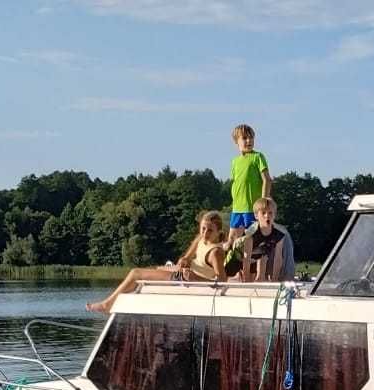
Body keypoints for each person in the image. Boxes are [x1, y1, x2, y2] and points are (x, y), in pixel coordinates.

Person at [85, 210, 229, 313]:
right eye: (203, 228)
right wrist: (185, 258)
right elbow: (195, 243)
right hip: (184, 272)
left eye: (210, 230)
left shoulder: (215, 252)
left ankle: (107, 304)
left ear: (219, 232)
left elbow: (222, 280)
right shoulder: (202, 239)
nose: (205, 233)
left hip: (187, 279)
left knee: (136, 273)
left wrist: (196, 278)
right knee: (156, 268)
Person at [231, 197, 295, 282]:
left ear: (274, 215)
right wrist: (246, 281)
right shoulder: (250, 234)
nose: (267, 216)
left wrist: (274, 280)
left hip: (258, 251)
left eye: (270, 213)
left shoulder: (280, 234)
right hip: (240, 254)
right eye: (264, 213)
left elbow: (277, 258)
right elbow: (246, 259)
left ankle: (261, 277)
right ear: (256, 215)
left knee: (265, 252)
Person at [228, 124, 273, 243]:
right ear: (236, 141)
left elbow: (267, 179)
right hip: (237, 207)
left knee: (254, 241)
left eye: (251, 138)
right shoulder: (234, 161)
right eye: (244, 138)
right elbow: (236, 182)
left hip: (251, 208)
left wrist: (263, 202)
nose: (249, 141)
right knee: (232, 240)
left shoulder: (258, 157)